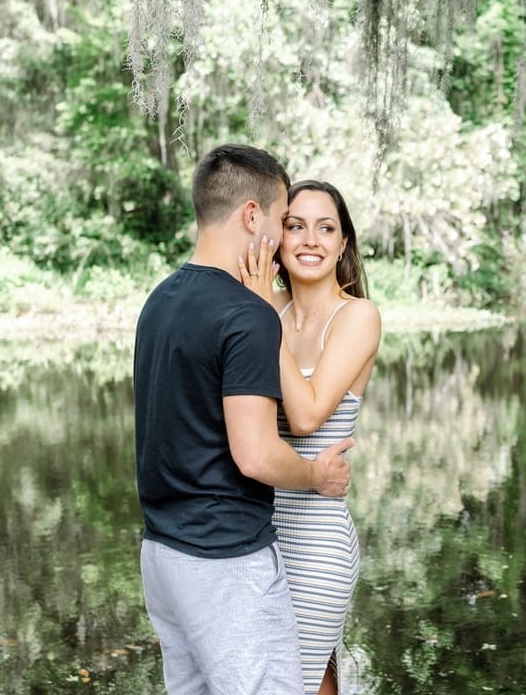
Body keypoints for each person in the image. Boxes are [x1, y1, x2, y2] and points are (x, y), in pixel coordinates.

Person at [134, 146, 354, 695]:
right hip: (224, 559)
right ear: (252, 217)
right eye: (285, 222)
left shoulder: (160, 300)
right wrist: (314, 477)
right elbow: (254, 453)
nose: (289, 239)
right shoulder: (248, 313)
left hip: (163, 555)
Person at [238, 179, 381, 695]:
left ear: (344, 243)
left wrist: (258, 315)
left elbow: (306, 417)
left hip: (318, 538)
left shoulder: (357, 317)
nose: (309, 240)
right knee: (305, 677)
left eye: (326, 228)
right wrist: (260, 307)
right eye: (295, 226)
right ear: (277, 234)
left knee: (293, 680)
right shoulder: (265, 305)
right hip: (256, 536)